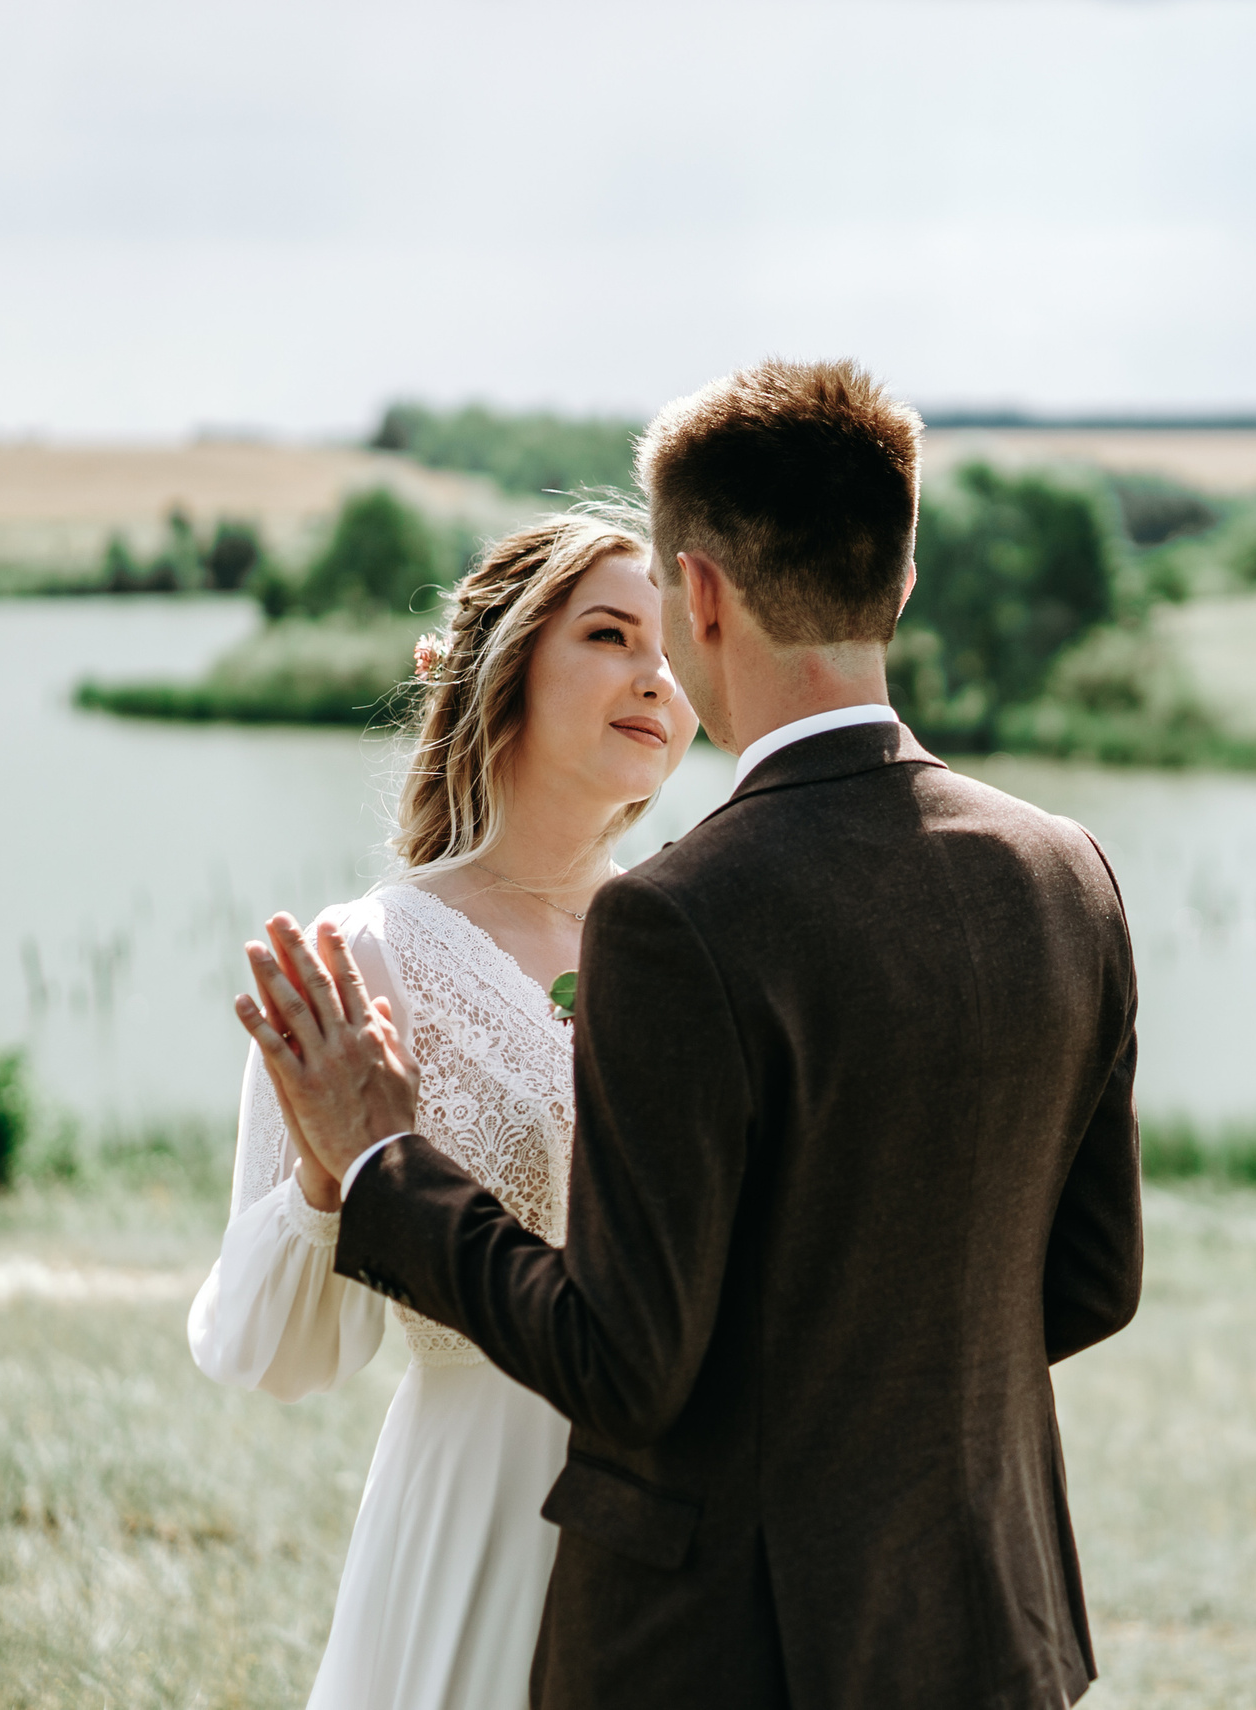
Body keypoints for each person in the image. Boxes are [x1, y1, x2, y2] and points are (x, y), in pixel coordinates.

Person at [237, 359, 1145, 1708]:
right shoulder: (1067, 868)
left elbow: (627, 1362)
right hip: (985, 1623)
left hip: (740, 1643)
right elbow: (1090, 1281)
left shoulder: (677, 918)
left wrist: (380, 1163)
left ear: (702, 595)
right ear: (898, 580)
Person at [188, 503, 698, 1710]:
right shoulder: (368, 957)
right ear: (507, 663)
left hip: (691, 1511)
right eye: (613, 636)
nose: (654, 678)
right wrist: (337, 1166)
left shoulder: (697, 940)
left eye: (675, 652)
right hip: (479, 1495)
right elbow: (275, 1353)